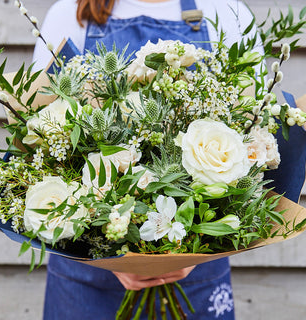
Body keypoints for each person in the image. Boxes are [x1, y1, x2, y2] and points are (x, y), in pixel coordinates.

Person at [32, 1, 263, 319]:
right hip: (86, 283)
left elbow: (253, 140)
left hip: (195, 278)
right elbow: (39, 135)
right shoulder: (68, 14)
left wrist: (193, 249)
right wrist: (109, 257)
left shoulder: (225, 11)